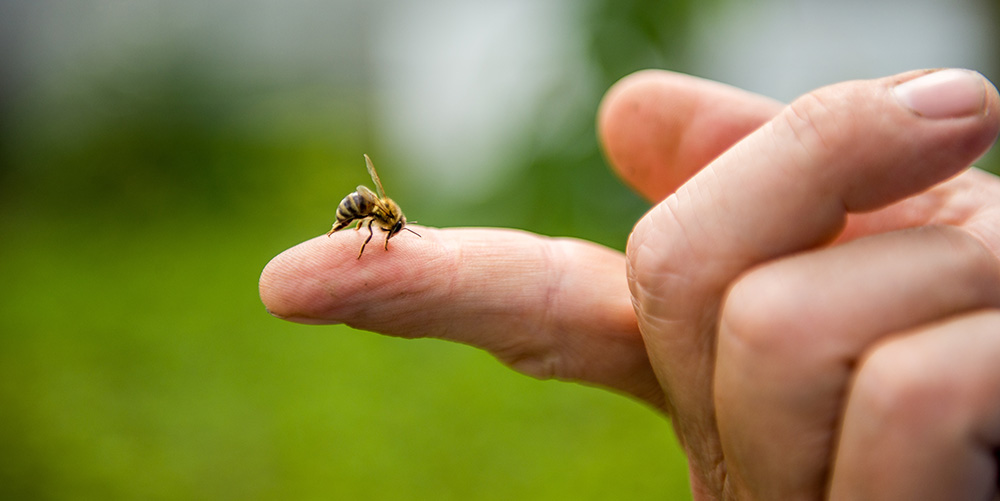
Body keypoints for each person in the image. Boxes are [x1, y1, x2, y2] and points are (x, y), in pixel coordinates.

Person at [259, 68, 1000, 500]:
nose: (384, 228)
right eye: (384, 226)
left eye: (383, 225)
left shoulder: (386, 218)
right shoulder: (376, 216)